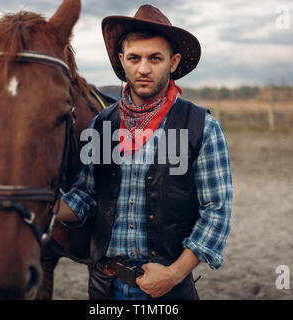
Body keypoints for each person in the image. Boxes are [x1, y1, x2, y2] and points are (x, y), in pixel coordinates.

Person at [55, 4, 233, 300]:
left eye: (155, 58)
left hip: (169, 289)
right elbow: (85, 195)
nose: (144, 68)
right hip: (104, 288)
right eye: (135, 58)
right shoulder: (102, 125)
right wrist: (46, 207)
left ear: (173, 62)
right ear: (122, 60)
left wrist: (173, 274)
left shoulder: (202, 127)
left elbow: (216, 213)